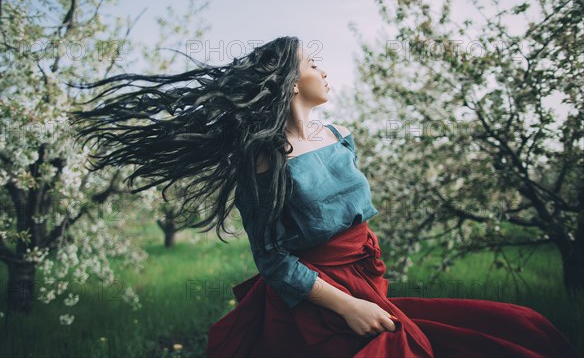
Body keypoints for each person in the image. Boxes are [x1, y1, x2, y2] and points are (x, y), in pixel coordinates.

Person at [68, 36, 581, 357]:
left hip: (365, 273)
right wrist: (346, 307)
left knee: (519, 326)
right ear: (291, 82)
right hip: (320, 293)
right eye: (313, 62)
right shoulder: (263, 160)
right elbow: (271, 259)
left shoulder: (336, 133)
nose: (324, 69)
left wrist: (368, 285)